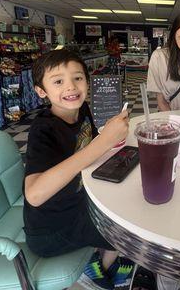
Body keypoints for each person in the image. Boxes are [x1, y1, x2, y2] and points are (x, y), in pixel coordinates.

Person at [24, 49, 133, 290]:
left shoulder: (82, 111)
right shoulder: (43, 130)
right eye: (59, 81)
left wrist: (113, 139)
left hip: (80, 202)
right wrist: (104, 142)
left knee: (127, 203)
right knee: (125, 231)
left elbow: (92, 152)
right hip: (51, 230)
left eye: (78, 78)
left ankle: (102, 257)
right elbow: (34, 194)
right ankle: (96, 270)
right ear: (41, 91)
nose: (71, 87)